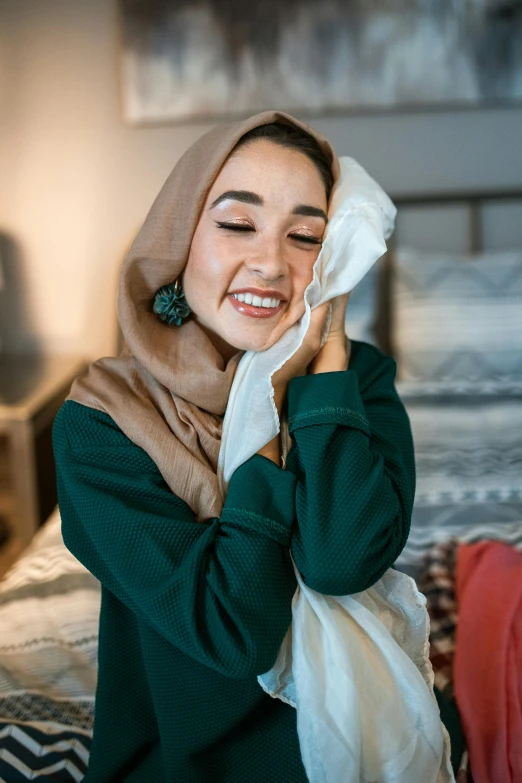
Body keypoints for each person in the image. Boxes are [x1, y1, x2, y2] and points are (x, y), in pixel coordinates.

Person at [52, 111, 416, 782]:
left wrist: (322, 366)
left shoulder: (354, 380)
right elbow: (235, 625)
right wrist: (267, 408)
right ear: (180, 236)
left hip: (369, 743)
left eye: (305, 235)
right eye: (237, 223)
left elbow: (340, 560)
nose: (273, 262)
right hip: (183, 760)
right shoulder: (102, 422)